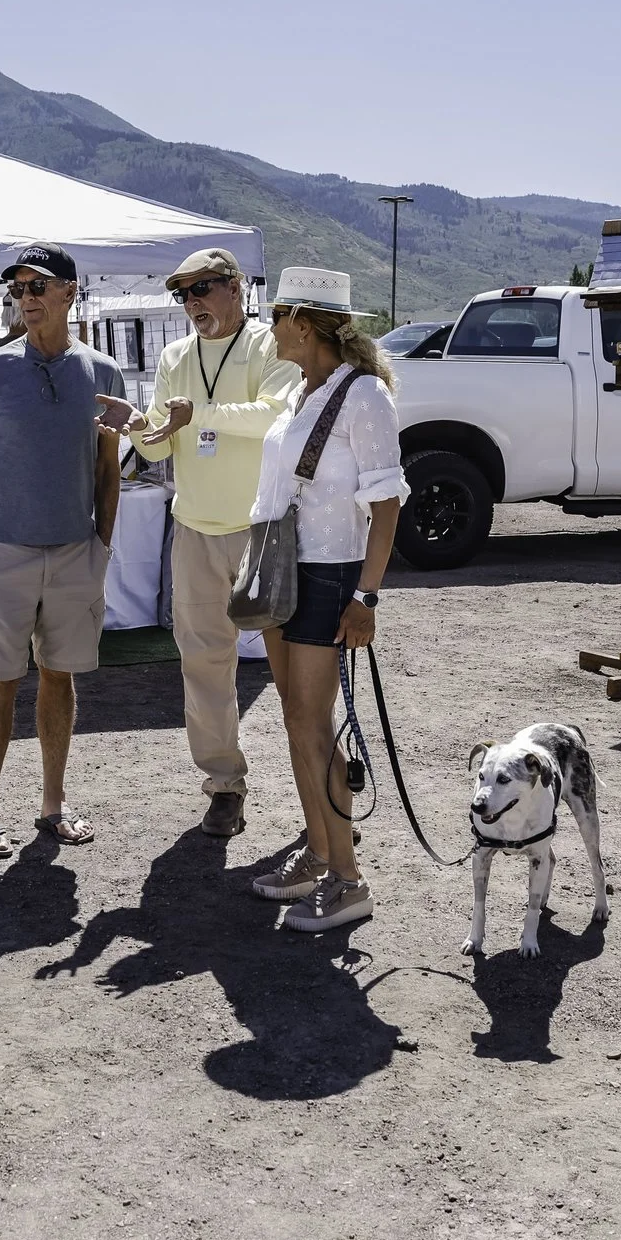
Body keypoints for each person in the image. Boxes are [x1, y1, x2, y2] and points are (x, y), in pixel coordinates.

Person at [242, 267, 406, 932]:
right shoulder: (303, 392)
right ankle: (318, 851)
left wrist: (365, 595)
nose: (269, 326)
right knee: (298, 722)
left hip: (329, 574)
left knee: (310, 727)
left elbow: (387, 504)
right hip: (283, 570)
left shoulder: (363, 395)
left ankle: (348, 879)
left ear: (302, 324)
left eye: (276, 314)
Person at [0, 242, 127, 858]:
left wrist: (102, 543)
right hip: (2, 554)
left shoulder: (102, 373)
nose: (25, 298)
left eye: (37, 286)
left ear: (69, 293)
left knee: (60, 679)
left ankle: (52, 805)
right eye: (17, 289)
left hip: (77, 553)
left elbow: (111, 470)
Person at [121, 247, 296, 839]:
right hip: (195, 529)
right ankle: (224, 785)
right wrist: (133, 428)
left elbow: (273, 417)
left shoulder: (272, 345)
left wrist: (195, 415)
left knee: (297, 665)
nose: (193, 301)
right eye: (183, 293)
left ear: (237, 286)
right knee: (204, 667)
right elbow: (158, 445)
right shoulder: (174, 356)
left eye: (203, 288)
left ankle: (322, 787)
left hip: (262, 528)